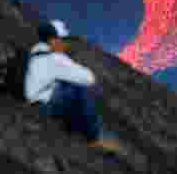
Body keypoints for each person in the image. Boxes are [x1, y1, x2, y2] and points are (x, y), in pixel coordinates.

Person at [25, 19, 124, 156]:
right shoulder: (53, 58)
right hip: (44, 105)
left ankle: (74, 126)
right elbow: (89, 78)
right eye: (63, 40)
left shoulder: (36, 54)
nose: (65, 44)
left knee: (70, 88)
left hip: (38, 100)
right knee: (80, 89)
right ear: (53, 40)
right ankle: (94, 138)